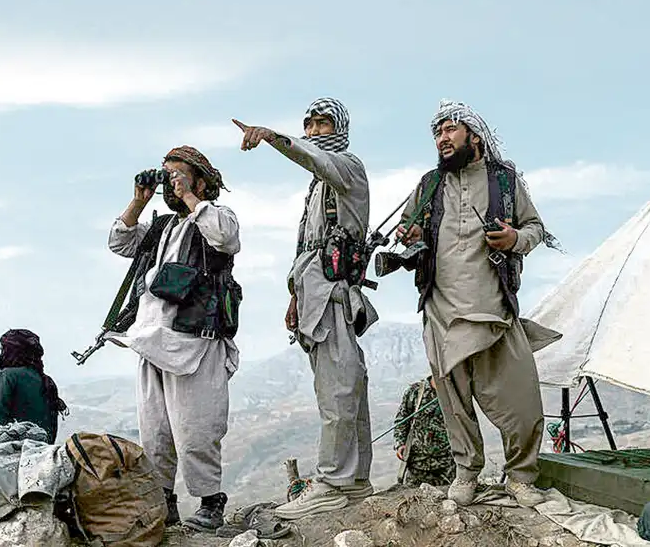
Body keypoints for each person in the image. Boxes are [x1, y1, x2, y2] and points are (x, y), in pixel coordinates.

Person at [396, 99, 563, 508]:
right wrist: (409, 234)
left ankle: (521, 476)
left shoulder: (504, 182)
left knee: (522, 400)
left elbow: (536, 227)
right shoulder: (428, 185)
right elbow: (408, 229)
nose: (443, 139)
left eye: (450, 129)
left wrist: (514, 239)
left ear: (473, 134)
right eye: (437, 133)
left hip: (495, 309)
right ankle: (466, 472)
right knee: (453, 404)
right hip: (440, 309)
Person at [233, 98, 378, 520]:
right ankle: (354, 483)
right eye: (309, 124)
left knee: (339, 387)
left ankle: (333, 482)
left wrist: (273, 137)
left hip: (334, 299)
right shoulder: (317, 189)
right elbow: (308, 249)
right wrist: (295, 297)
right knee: (343, 386)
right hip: (315, 300)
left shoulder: (346, 167)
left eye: (323, 123)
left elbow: (313, 157)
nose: (315, 131)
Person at [106, 146, 241, 532]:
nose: (171, 183)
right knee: (156, 431)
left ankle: (211, 502)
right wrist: (138, 201)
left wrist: (189, 196)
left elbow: (226, 238)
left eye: (178, 175)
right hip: (150, 341)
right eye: (167, 176)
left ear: (200, 180)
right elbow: (120, 242)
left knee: (196, 428)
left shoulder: (216, 216)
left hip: (195, 341)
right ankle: (164, 501)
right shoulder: (161, 226)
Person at [0, 328, 69, 444]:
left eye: (3, 349)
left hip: (12, 451)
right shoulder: (48, 381)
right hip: (40, 452)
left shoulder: (7, 376)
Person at [393, 376, 453, 487]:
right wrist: (400, 444)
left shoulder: (455, 392)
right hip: (417, 466)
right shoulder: (416, 391)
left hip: (448, 467)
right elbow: (401, 421)